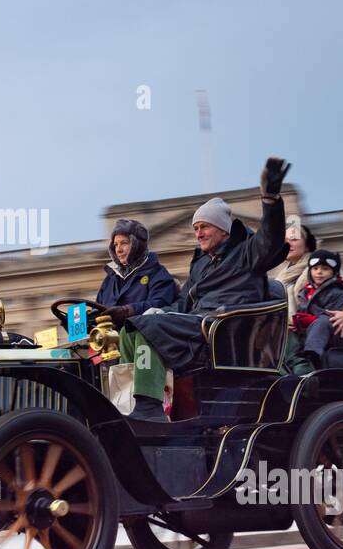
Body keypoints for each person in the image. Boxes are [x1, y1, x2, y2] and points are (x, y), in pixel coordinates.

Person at [119, 157, 290, 421]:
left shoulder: (247, 253)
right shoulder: (200, 265)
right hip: (197, 327)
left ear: (223, 230)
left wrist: (270, 200)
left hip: (226, 334)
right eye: (196, 228)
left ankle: (149, 407)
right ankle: (142, 397)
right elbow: (182, 305)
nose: (198, 233)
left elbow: (271, 238)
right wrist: (158, 311)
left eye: (204, 227)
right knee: (130, 330)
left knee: (148, 328)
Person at [272, 219, 343, 359]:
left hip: (322, 335)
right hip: (289, 334)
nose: (288, 243)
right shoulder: (280, 278)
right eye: (285, 240)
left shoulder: (322, 268)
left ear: (306, 245)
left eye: (293, 239)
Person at [95, 219, 178, 323]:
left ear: (137, 245)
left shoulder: (158, 273)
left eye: (124, 243)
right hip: (109, 337)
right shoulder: (109, 280)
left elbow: (160, 305)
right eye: (115, 245)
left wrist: (128, 311)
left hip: (140, 334)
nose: (118, 250)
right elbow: (97, 311)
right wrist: (79, 321)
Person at [289, 249, 343, 372]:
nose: (319, 272)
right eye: (315, 269)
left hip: (336, 335)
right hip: (313, 334)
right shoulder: (304, 293)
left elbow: (335, 316)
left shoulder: (338, 292)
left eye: (325, 269)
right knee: (289, 331)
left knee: (323, 321)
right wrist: (298, 323)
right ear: (310, 271)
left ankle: (312, 355)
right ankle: (291, 360)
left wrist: (312, 319)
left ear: (333, 272)